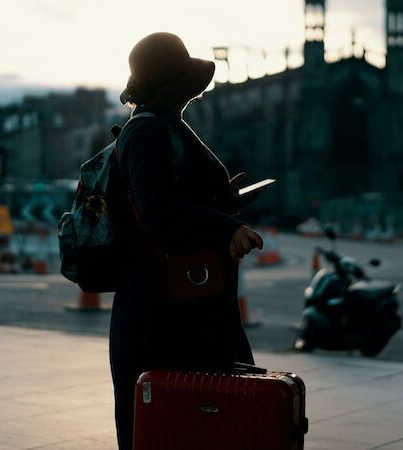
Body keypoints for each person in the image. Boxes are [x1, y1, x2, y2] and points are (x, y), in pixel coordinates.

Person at [110, 32, 264, 450]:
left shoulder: (166, 126)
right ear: (170, 85)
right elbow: (156, 207)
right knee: (167, 417)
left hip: (188, 293)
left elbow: (174, 195)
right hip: (162, 303)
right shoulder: (146, 132)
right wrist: (224, 227)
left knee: (200, 414)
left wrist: (221, 199)